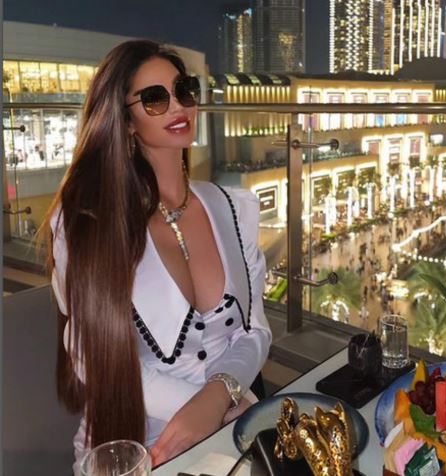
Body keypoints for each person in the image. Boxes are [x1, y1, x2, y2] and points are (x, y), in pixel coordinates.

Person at [40, 40, 272, 473]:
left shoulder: (233, 208)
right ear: (126, 120)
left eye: (184, 90)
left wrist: (218, 397)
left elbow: (255, 331)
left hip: (229, 421)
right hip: (132, 445)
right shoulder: (86, 224)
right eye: (154, 98)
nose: (178, 106)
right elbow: (96, 362)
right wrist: (206, 408)